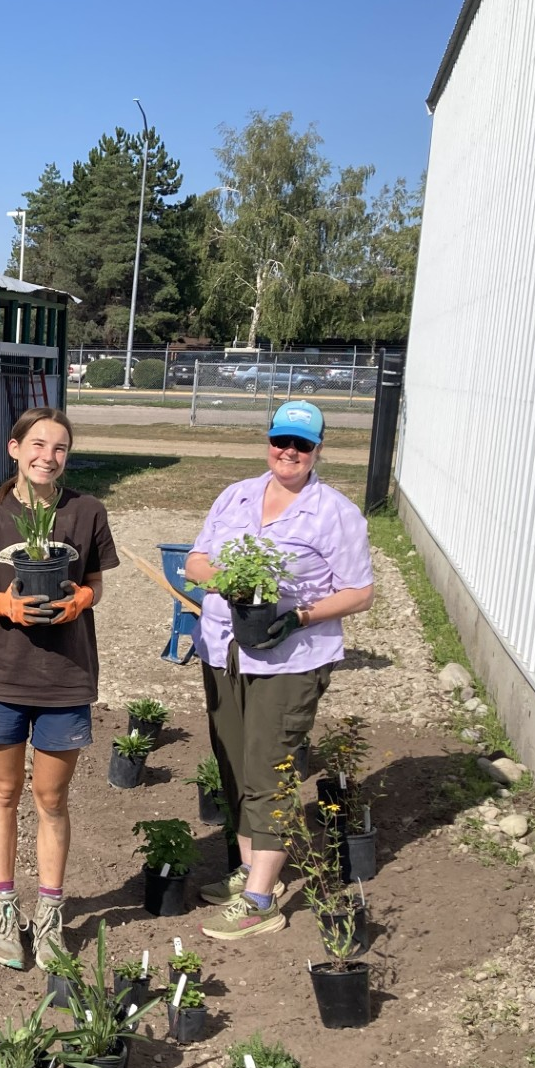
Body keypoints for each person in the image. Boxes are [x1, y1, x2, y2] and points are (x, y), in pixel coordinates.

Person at [182, 401, 375, 940]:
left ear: (317, 452)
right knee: (235, 766)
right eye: (280, 441)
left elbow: (360, 593)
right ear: (268, 441)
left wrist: (299, 615)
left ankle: (262, 900)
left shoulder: (334, 512)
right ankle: (249, 872)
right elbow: (196, 561)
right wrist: (227, 580)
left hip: (291, 661)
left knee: (271, 767)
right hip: (224, 650)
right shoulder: (237, 495)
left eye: (302, 445)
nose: (288, 452)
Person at [0, 407, 119, 971]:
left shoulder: (87, 512)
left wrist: (82, 599)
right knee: (2, 793)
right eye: (38, 444)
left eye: (60, 449)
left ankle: (49, 913)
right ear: (14, 448)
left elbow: (96, 580)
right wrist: (2, 603)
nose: (48, 456)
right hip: (2, 674)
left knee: (51, 799)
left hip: (65, 677)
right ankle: (3, 906)